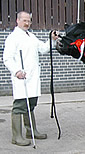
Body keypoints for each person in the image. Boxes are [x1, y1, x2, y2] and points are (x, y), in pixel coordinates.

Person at [3, 11, 58, 146]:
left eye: (29, 21)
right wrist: (16, 71)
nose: (27, 23)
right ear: (18, 20)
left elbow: (43, 48)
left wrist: (52, 39)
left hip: (33, 78)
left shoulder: (31, 36)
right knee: (20, 106)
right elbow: (7, 58)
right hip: (22, 77)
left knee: (30, 105)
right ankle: (16, 137)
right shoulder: (13, 38)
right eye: (24, 21)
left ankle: (31, 131)